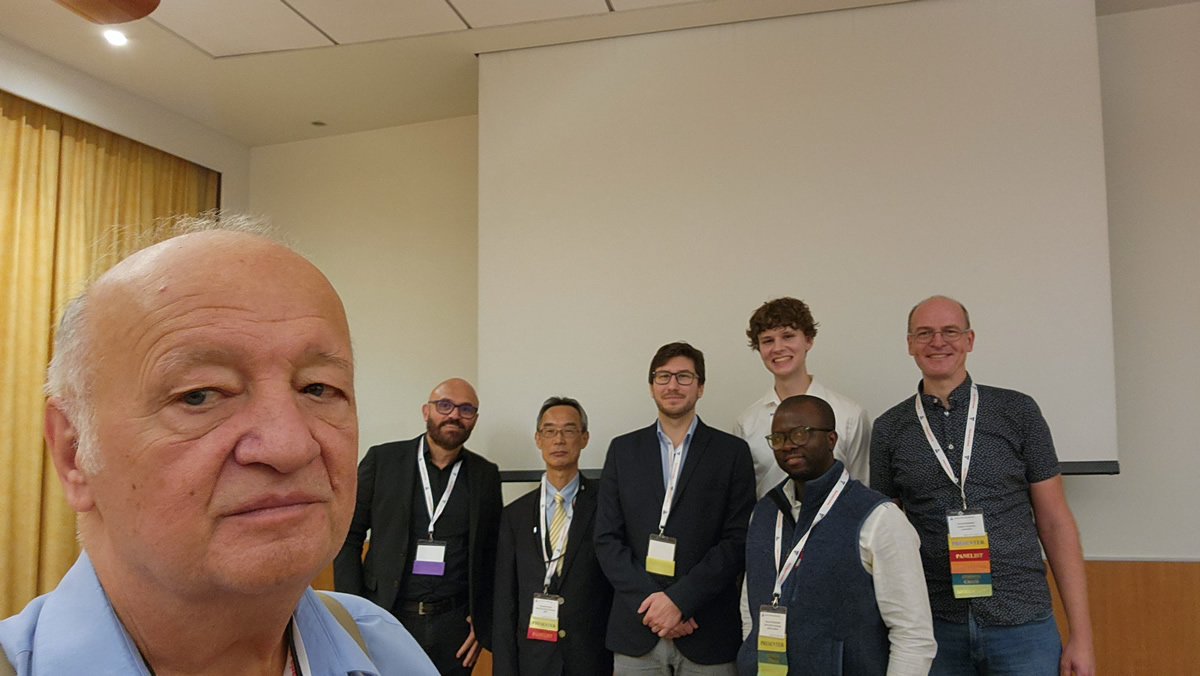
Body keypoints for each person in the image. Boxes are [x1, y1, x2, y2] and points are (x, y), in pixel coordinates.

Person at [0, 219, 437, 675]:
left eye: (317, 388)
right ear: (74, 452)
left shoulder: (386, 650)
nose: (290, 446)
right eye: (199, 395)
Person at [871, 295, 1095, 676]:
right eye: (924, 333)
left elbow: (1056, 522)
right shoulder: (889, 429)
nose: (937, 342)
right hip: (934, 626)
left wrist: (1082, 636)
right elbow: (885, 538)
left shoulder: (1018, 412)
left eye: (950, 331)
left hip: (1022, 621)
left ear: (969, 340)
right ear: (909, 344)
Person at [737, 395, 935, 676]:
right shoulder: (764, 512)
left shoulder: (879, 518)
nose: (789, 444)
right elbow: (751, 606)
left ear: (831, 439)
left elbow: (913, 635)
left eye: (801, 433)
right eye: (778, 438)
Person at [595, 341, 756, 675]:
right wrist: (658, 607)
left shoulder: (732, 452)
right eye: (663, 376)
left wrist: (681, 601)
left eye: (684, 376)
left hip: (707, 628)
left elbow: (737, 540)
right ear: (651, 385)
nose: (672, 385)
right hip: (637, 629)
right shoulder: (623, 451)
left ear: (700, 387)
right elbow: (607, 539)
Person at [334, 377, 502, 675]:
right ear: (427, 411)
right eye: (445, 405)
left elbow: (492, 554)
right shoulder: (383, 460)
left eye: (466, 409)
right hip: (386, 617)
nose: (454, 415)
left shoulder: (485, 475)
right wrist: (355, 613)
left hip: (454, 627)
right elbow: (347, 536)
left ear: (475, 419)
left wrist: (482, 620)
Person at [493, 397, 614, 676]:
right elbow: (505, 602)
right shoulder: (515, 515)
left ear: (584, 438)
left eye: (569, 430)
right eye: (549, 431)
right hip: (533, 660)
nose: (559, 440)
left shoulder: (607, 506)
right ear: (538, 439)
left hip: (592, 659)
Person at [735, 297, 872, 497]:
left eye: (788, 336)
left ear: (808, 340)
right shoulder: (746, 424)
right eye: (768, 341)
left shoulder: (850, 415)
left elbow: (863, 488)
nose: (778, 348)